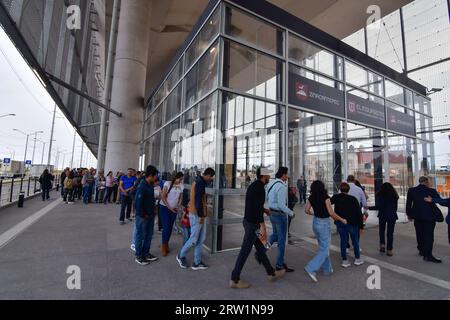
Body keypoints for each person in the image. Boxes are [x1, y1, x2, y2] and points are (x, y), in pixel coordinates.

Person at [230, 167, 286, 289]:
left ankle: (271, 273)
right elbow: (256, 208)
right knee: (245, 251)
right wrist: (262, 226)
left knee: (260, 249)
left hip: (249, 222)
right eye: (268, 176)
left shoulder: (254, 186)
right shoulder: (260, 189)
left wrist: (264, 210)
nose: (269, 178)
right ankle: (234, 279)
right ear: (263, 176)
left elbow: (255, 205)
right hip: (253, 224)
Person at [304, 180, 347, 283]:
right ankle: (311, 268)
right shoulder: (326, 197)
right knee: (324, 249)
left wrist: (314, 214)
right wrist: (342, 219)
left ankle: (327, 269)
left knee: (323, 247)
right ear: (322, 187)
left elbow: (306, 210)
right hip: (324, 224)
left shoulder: (311, 197)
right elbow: (331, 213)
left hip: (315, 223)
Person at [176, 168, 215, 270]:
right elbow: (198, 201)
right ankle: (180, 255)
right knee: (193, 239)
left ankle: (197, 262)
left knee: (200, 239)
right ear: (208, 175)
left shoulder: (198, 181)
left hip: (199, 214)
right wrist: (201, 216)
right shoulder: (200, 183)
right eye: (211, 177)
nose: (211, 179)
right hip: (197, 215)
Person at [406, 176, 442, 263]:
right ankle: (428, 255)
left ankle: (421, 250)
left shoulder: (412, 190)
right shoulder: (431, 191)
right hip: (429, 217)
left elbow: (408, 204)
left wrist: (409, 215)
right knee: (428, 236)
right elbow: (439, 201)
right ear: (426, 182)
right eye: (429, 181)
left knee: (419, 233)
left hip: (417, 216)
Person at [266, 167, 295, 273]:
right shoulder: (282, 187)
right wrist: (291, 213)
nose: (287, 176)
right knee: (281, 241)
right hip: (279, 215)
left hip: (272, 213)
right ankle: (279, 265)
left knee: (275, 235)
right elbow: (282, 205)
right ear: (283, 175)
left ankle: (262, 251)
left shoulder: (271, 184)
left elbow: (267, 198)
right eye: (286, 174)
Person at [331, 182, 364, 267]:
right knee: (355, 241)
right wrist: (361, 226)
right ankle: (357, 259)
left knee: (343, 241)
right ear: (348, 190)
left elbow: (327, 202)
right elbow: (359, 214)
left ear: (340, 189)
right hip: (353, 223)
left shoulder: (336, 197)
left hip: (340, 223)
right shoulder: (353, 199)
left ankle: (345, 261)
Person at [134, 165, 160, 265]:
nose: (156, 178)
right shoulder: (142, 185)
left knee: (149, 235)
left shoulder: (150, 185)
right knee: (140, 235)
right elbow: (137, 203)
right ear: (150, 175)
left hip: (150, 214)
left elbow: (149, 199)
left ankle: (146, 253)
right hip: (142, 216)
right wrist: (143, 214)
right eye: (155, 176)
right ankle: (139, 255)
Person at [369, 182, 399, 256]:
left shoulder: (381, 195)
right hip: (392, 215)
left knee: (382, 231)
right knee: (390, 233)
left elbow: (380, 206)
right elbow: (395, 207)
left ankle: (382, 245)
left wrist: (369, 207)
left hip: (383, 215)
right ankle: (389, 250)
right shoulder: (394, 196)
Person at [160, 172, 184, 257]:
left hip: (174, 209)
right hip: (165, 208)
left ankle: (166, 244)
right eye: (180, 179)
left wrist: (178, 206)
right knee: (166, 227)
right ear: (175, 177)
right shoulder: (167, 183)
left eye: (182, 179)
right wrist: (169, 208)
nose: (181, 181)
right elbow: (162, 196)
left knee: (170, 228)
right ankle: (163, 246)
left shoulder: (181, 185)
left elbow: (180, 198)